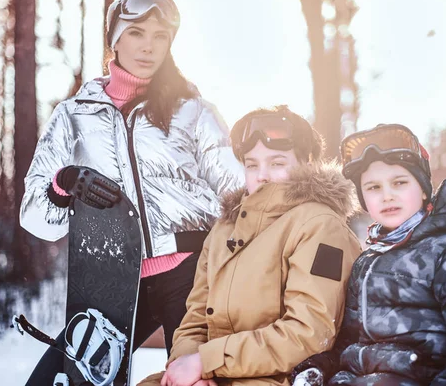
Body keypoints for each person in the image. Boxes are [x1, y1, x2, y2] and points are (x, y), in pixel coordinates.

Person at [19, 0, 243, 385]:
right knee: (59, 378)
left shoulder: (193, 110)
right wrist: (63, 183)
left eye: (160, 36)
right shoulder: (73, 116)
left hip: (190, 277)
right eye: (137, 32)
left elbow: (238, 196)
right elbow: (36, 217)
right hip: (112, 279)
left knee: (197, 380)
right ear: (115, 39)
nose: (148, 46)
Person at [137, 105, 362, 386]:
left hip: (279, 379)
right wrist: (192, 370)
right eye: (252, 165)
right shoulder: (224, 229)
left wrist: (207, 362)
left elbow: (308, 333)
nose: (262, 175)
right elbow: (194, 320)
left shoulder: (321, 227)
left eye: (277, 163)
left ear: (307, 162)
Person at [290, 123, 446, 385]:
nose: (387, 196)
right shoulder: (367, 262)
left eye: (399, 182)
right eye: (373, 187)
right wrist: (321, 366)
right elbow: (350, 340)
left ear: (422, 188)